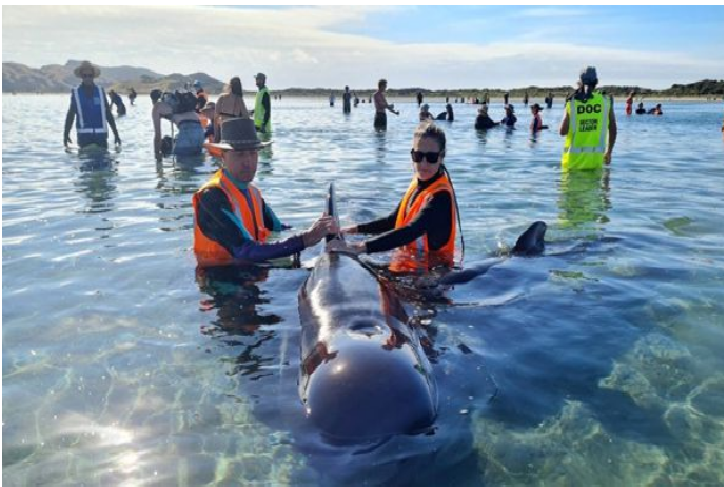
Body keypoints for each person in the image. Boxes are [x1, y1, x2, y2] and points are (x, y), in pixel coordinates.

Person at [193, 118, 334, 266]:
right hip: (220, 280)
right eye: (239, 154)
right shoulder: (211, 196)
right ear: (222, 156)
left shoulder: (253, 192)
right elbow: (244, 251)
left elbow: (279, 228)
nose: (248, 162)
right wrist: (305, 239)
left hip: (253, 273)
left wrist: (322, 230)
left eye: (253, 153)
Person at [328, 123, 457, 273]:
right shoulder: (418, 184)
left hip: (431, 278)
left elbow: (411, 231)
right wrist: (351, 230)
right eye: (418, 156)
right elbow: (392, 221)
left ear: (442, 157)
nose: (423, 163)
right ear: (412, 155)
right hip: (409, 265)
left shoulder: (441, 197)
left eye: (431, 157)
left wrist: (359, 247)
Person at [559, 66, 617, 170]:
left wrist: (566, 106)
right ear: (596, 82)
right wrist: (609, 152)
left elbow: (563, 131)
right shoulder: (605, 101)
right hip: (595, 163)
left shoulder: (572, 102)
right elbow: (613, 128)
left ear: (579, 82)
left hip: (572, 164)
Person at [63, 60, 121, 149]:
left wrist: (116, 134)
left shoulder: (100, 91)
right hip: (84, 137)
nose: (87, 78)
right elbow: (71, 115)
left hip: (101, 136)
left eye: (90, 76)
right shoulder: (76, 93)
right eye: (85, 76)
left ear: (93, 76)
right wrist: (66, 134)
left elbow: (108, 114)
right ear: (81, 76)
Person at [152, 90, 205, 160]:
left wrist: (157, 154)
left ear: (152, 100)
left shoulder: (157, 107)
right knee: (197, 163)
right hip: (200, 130)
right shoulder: (180, 102)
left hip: (186, 130)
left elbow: (158, 136)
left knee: (182, 169)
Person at [214, 77, 250, 143]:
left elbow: (215, 119)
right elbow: (246, 118)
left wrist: (216, 136)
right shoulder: (239, 99)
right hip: (234, 133)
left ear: (229, 86)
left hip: (222, 130)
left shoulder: (221, 98)